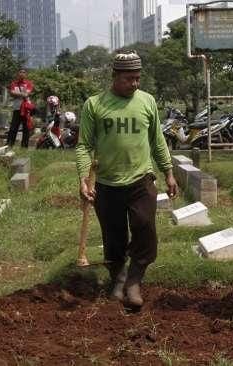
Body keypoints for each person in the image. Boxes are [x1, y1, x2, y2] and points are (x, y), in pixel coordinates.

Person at [76, 51, 178, 309]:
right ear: (115, 77)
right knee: (114, 238)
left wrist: (168, 171)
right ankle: (118, 278)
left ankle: (134, 280)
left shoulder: (147, 102)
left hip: (141, 181)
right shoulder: (95, 105)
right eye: (129, 79)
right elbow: (84, 145)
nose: (134, 83)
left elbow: (157, 140)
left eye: (137, 78)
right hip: (107, 186)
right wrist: (83, 179)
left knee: (145, 230)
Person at [6, 69, 34, 148]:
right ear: (17, 74)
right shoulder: (14, 83)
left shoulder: (29, 83)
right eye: (20, 72)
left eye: (24, 72)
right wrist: (22, 94)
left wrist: (17, 94)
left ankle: (24, 147)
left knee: (26, 128)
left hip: (26, 109)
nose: (22, 74)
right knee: (13, 128)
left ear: (26, 74)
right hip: (17, 108)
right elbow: (12, 93)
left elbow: (26, 94)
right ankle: (9, 145)